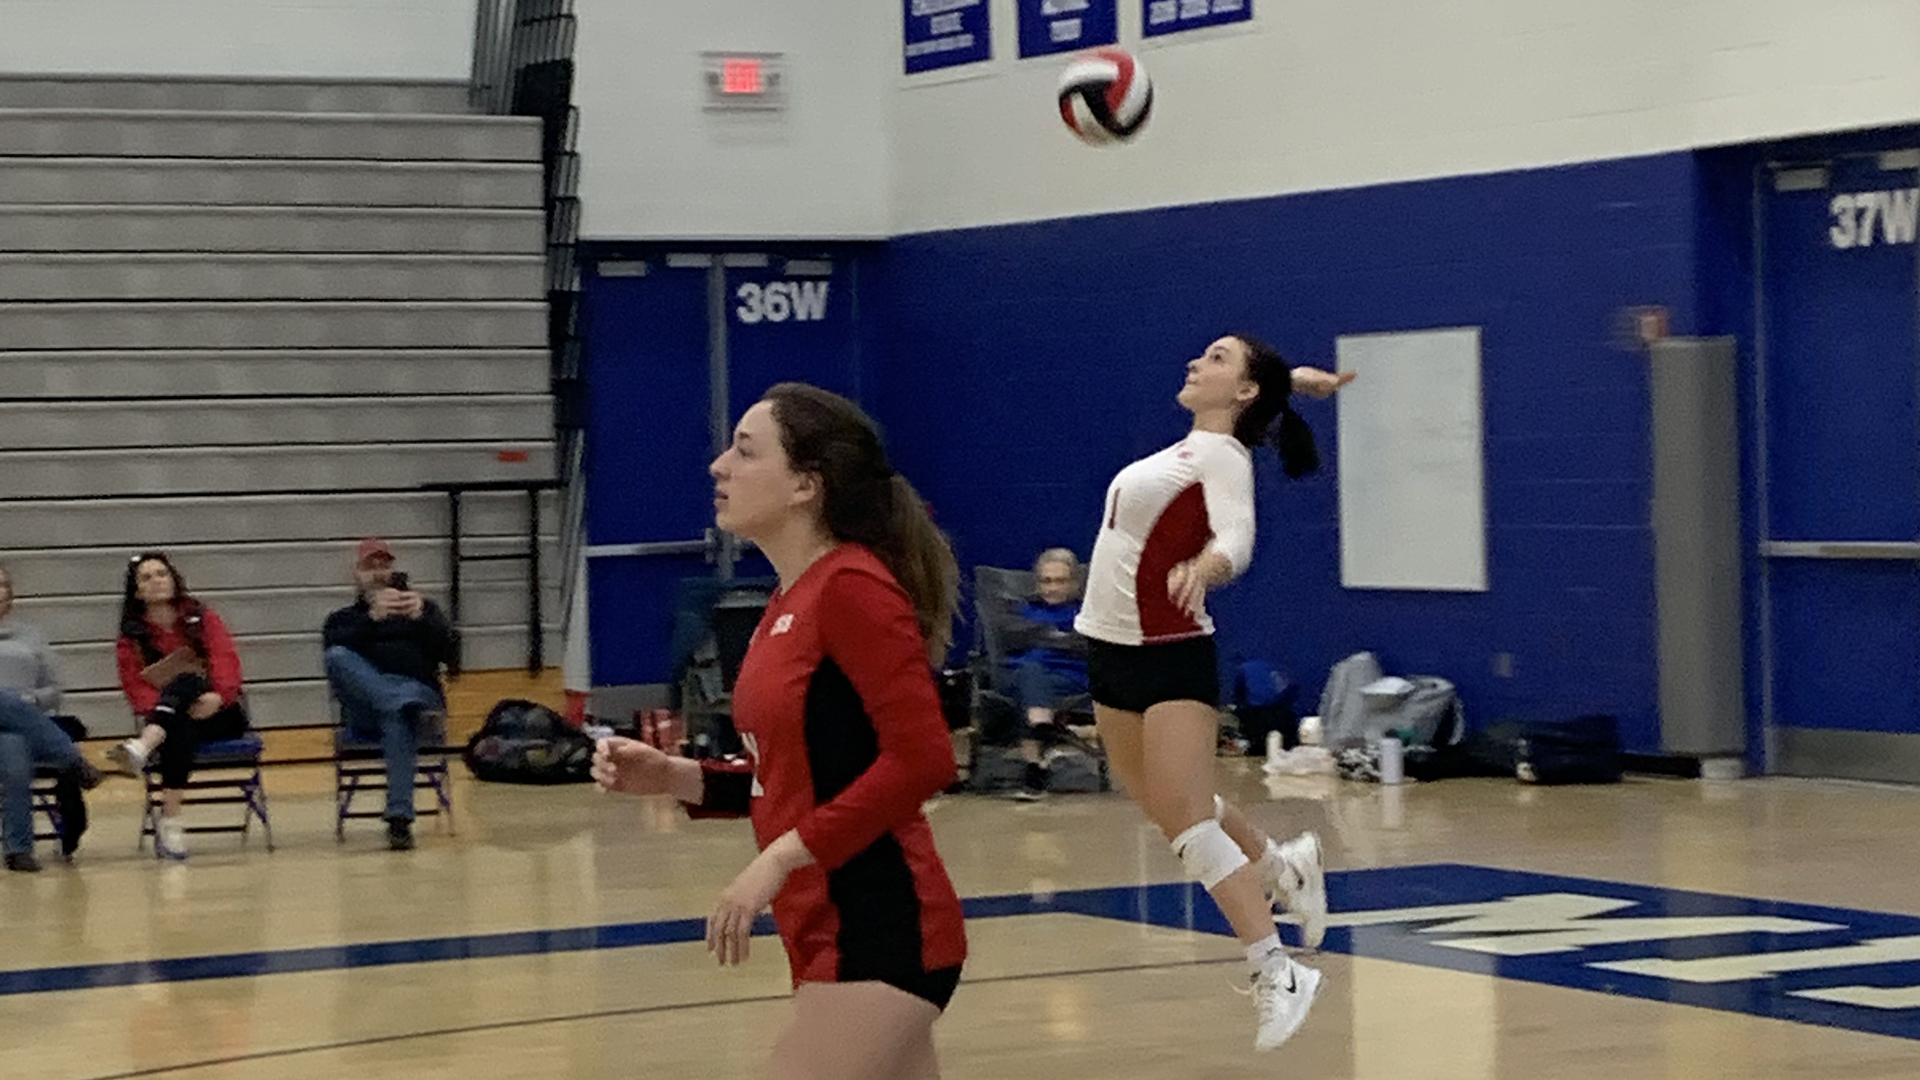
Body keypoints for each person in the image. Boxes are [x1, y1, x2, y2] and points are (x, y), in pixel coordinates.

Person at [593, 382, 966, 1080]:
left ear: (805, 485)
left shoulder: (853, 587)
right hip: (823, 933)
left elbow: (924, 759)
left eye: (744, 450)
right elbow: (804, 773)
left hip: (879, 929)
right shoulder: (787, 601)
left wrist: (776, 860)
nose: (718, 467)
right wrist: (679, 776)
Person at [1075, 334, 1353, 1052]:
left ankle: (1278, 969)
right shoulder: (1194, 445)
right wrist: (1294, 380)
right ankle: (1281, 864)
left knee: (1189, 827)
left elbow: (1239, 535)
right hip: (1108, 646)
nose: (1197, 361)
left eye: (1218, 358)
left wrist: (1210, 564)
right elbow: (1254, 389)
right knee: (1170, 808)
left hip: (1170, 654)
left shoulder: (1223, 459)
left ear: (1242, 390)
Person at [106, 552, 250, 861]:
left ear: (173, 579)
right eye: (146, 578)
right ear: (137, 591)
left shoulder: (201, 617)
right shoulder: (131, 637)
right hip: (174, 718)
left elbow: (226, 661)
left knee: (183, 687)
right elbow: (136, 688)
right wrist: (168, 706)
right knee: (178, 726)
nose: (156, 581)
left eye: (161, 574)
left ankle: (146, 747)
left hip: (221, 714)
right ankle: (171, 820)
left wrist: (218, 697)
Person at [322, 537, 457, 851]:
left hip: (418, 702)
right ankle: (394, 699)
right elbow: (334, 660)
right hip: (366, 708)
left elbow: (452, 657)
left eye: (385, 565)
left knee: (399, 715)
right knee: (337, 656)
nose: (379, 573)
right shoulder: (343, 619)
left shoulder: (424, 611)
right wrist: (372, 619)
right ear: (357, 574)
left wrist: (424, 619)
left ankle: (399, 820)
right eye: (371, 566)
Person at [0, 563, 100, 871]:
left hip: (21, 728)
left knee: (14, 753)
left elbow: (55, 691)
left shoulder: (32, 636)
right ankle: (71, 758)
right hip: (28, 722)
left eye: (2, 584)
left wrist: (31, 700)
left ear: (10, 593)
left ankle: (18, 850)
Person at [998, 548, 1089, 800]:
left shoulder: (1085, 613)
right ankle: (1043, 728)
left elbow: (1083, 644)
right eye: (1046, 581)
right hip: (1018, 674)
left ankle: (1034, 768)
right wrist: (1057, 637)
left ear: (1073, 583)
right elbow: (1010, 637)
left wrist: (1039, 636)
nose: (1052, 588)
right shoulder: (1021, 609)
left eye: (1060, 581)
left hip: (1068, 678)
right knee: (1030, 674)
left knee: (1030, 680)